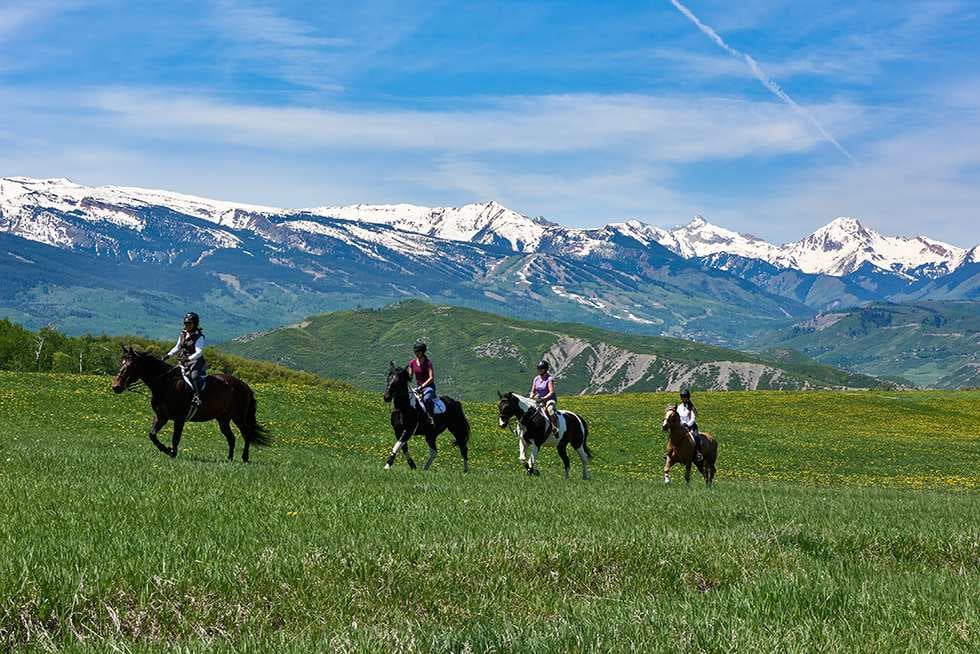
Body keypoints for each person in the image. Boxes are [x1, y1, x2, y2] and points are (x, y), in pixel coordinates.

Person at [164, 312, 207, 406]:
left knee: (194, 376)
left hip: (196, 361)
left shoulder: (199, 337)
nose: (187, 325)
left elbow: (199, 352)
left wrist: (188, 358)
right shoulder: (182, 334)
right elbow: (178, 347)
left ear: (195, 324)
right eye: (186, 323)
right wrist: (169, 354)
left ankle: (197, 397)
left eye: (189, 323)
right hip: (183, 360)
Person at [408, 341, 436, 425]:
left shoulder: (428, 363)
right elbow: (410, 376)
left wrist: (422, 386)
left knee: (426, 399)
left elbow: (431, 378)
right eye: (415, 352)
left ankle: (430, 417)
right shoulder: (412, 363)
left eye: (418, 352)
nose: (416, 353)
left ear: (422, 352)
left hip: (429, 387)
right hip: (418, 388)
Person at [530, 360, 559, 435]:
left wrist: (543, 398)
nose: (539, 370)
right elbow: (533, 391)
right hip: (539, 400)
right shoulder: (536, 379)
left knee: (550, 410)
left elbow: (551, 392)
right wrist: (530, 398)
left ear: (545, 369)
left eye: (541, 368)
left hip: (549, 399)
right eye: (539, 368)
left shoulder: (549, 379)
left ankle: (554, 427)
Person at [677, 388, 702, 462]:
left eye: (685, 397)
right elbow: (678, 417)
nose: (683, 399)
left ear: (688, 398)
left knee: (696, 437)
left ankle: (698, 452)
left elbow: (693, 418)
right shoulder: (679, 407)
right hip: (681, 426)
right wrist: (681, 424)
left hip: (691, 426)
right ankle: (670, 451)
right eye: (682, 397)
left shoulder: (691, 407)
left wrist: (688, 424)